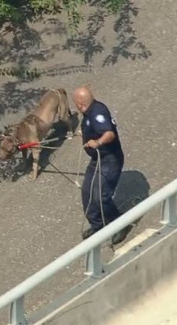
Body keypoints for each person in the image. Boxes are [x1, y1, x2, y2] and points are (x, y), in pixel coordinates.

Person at [72, 86, 133, 243]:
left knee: (101, 196)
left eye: (75, 102)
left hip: (109, 160)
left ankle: (121, 225)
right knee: (87, 192)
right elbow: (93, 127)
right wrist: (85, 133)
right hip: (97, 161)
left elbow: (109, 134)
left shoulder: (97, 112)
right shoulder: (88, 113)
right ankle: (98, 225)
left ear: (79, 103)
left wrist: (98, 142)